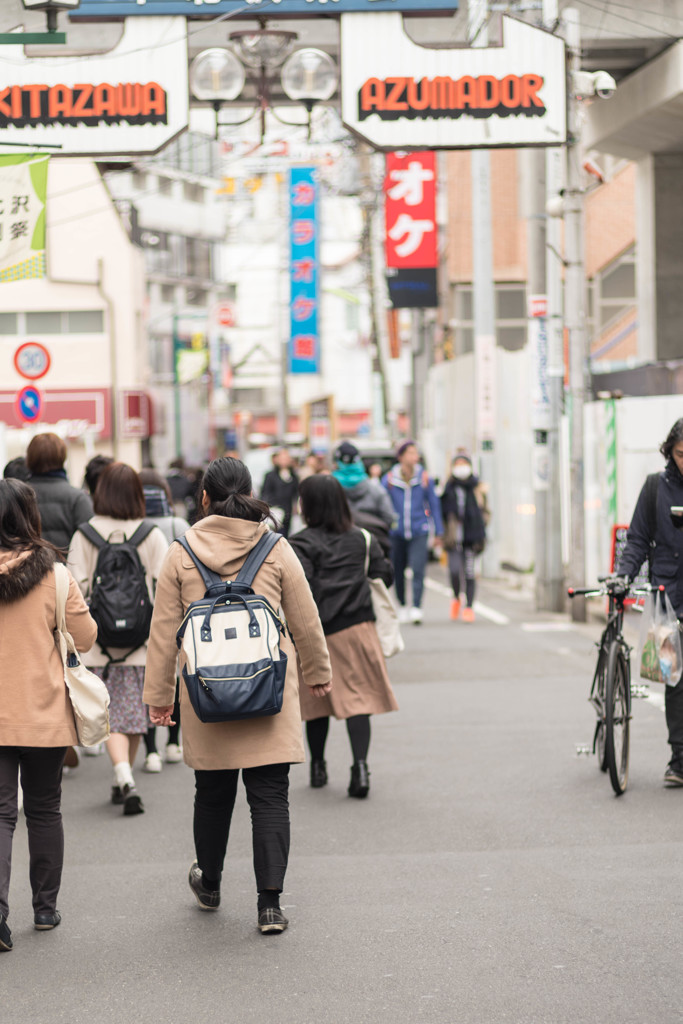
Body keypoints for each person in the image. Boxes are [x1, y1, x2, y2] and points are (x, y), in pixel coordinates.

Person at [143, 457, 331, 935]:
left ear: (203, 498)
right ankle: (270, 904)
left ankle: (209, 882)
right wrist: (317, 673)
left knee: (212, 793)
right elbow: (306, 619)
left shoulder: (181, 552)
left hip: (206, 697)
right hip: (269, 692)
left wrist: (160, 698)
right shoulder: (275, 547)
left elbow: (164, 634)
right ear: (248, 494)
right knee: (269, 795)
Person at [0, 479, 97, 951]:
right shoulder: (54, 574)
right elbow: (87, 635)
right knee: (43, 809)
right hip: (43, 712)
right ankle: (43, 908)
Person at [68, 463, 168, 816]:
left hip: (99, 645)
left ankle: (121, 775)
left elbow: (76, 590)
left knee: (108, 715)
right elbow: (164, 590)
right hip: (142, 644)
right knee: (134, 716)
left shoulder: (84, 535)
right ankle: (124, 775)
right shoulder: (150, 534)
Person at [290, 475, 398, 800]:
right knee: (359, 700)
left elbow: (299, 590)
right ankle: (360, 767)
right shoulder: (362, 538)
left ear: (307, 505)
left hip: (316, 634)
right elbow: (384, 575)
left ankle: (319, 766)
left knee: (315, 702)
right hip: (357, 630)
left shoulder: (300, 543)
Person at [617, 418, 683, 786]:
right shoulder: (655, 488)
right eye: (680, 454)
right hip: (666, 599)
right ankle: (679, 760)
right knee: (675, 680)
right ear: (669, 452)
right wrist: (624, 576)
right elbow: (638, 540)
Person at [138, 469, 187, 772]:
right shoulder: (176, 524)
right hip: (177, 611)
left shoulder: (136, 527)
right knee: (176, 676)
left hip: (142, 612)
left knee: (150, 676)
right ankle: (173, 742)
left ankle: (151, 750)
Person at [382, 441, 443, 625]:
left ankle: (416, 606)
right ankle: (401, 605)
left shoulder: (424, 479)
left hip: (419, 530)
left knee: (418, 569)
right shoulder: (390, 479)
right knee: (398, 570)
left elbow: (434, 505)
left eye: (415, 453)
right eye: (409, 453)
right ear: (401, 457)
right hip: (396, 531)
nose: (414, 456)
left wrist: (438, 531)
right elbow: (383, 506)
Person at [441, 452, 488, 623]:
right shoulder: (448, 487)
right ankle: (456, 597)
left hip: (471, 537)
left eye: (464, 464)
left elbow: (485, 510)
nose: (461, 467)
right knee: (454, 570)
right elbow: (442, 512)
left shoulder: (477, 487)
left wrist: (482, 526)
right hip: (453, 538)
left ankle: (469, 607)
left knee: (469, 572)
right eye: (458, 464)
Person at [25, 433, 93, 550]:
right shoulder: (77, 498)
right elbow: (90, 541)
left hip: (26, 567)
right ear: (62, 457)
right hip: (68, 566)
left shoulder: (17, 497)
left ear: (30, 458)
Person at [333, 440, 396, 549]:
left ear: (337, 463)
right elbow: (389, 518)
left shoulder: (330, 490)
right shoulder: (376, 489)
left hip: (338, 549)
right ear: (359, 462)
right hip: (372, 547)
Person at [261, 448, 299, 538]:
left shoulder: (293, 476)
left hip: (288, 513)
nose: (284, 460)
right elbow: (265, 493)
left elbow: (296, 494)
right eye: (282, 457)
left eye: (287, 458)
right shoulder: (270, 475)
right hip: (275, 513)